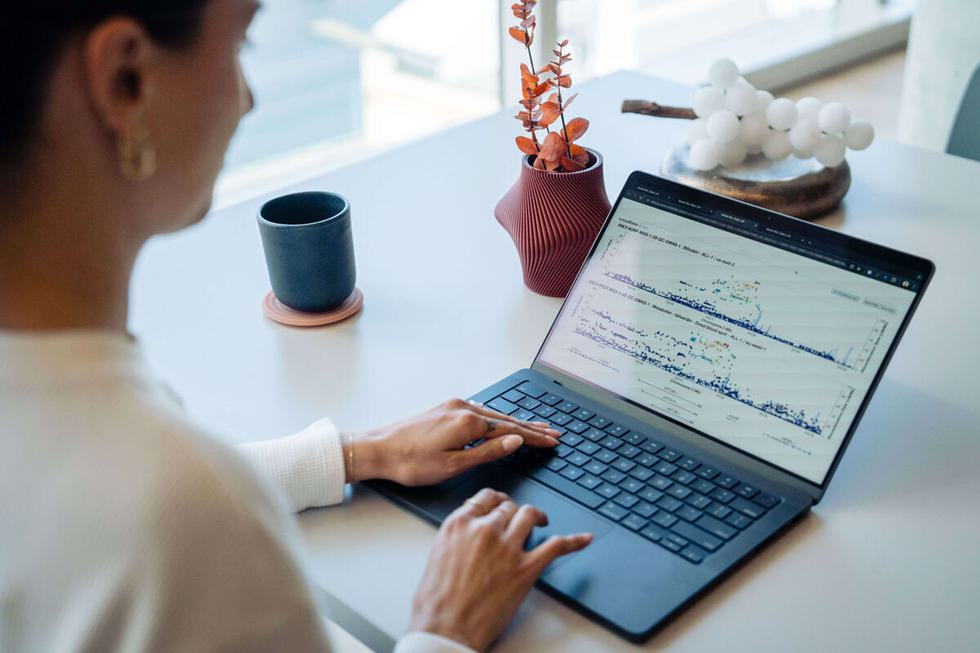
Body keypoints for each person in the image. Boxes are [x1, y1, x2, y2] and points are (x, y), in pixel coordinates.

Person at [0, 2, 593, 652]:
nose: (248, 99)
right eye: (241, 46)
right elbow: (163, 505)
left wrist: (354, 452)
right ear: (125, 79)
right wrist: (443, 630)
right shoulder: (176, 512)